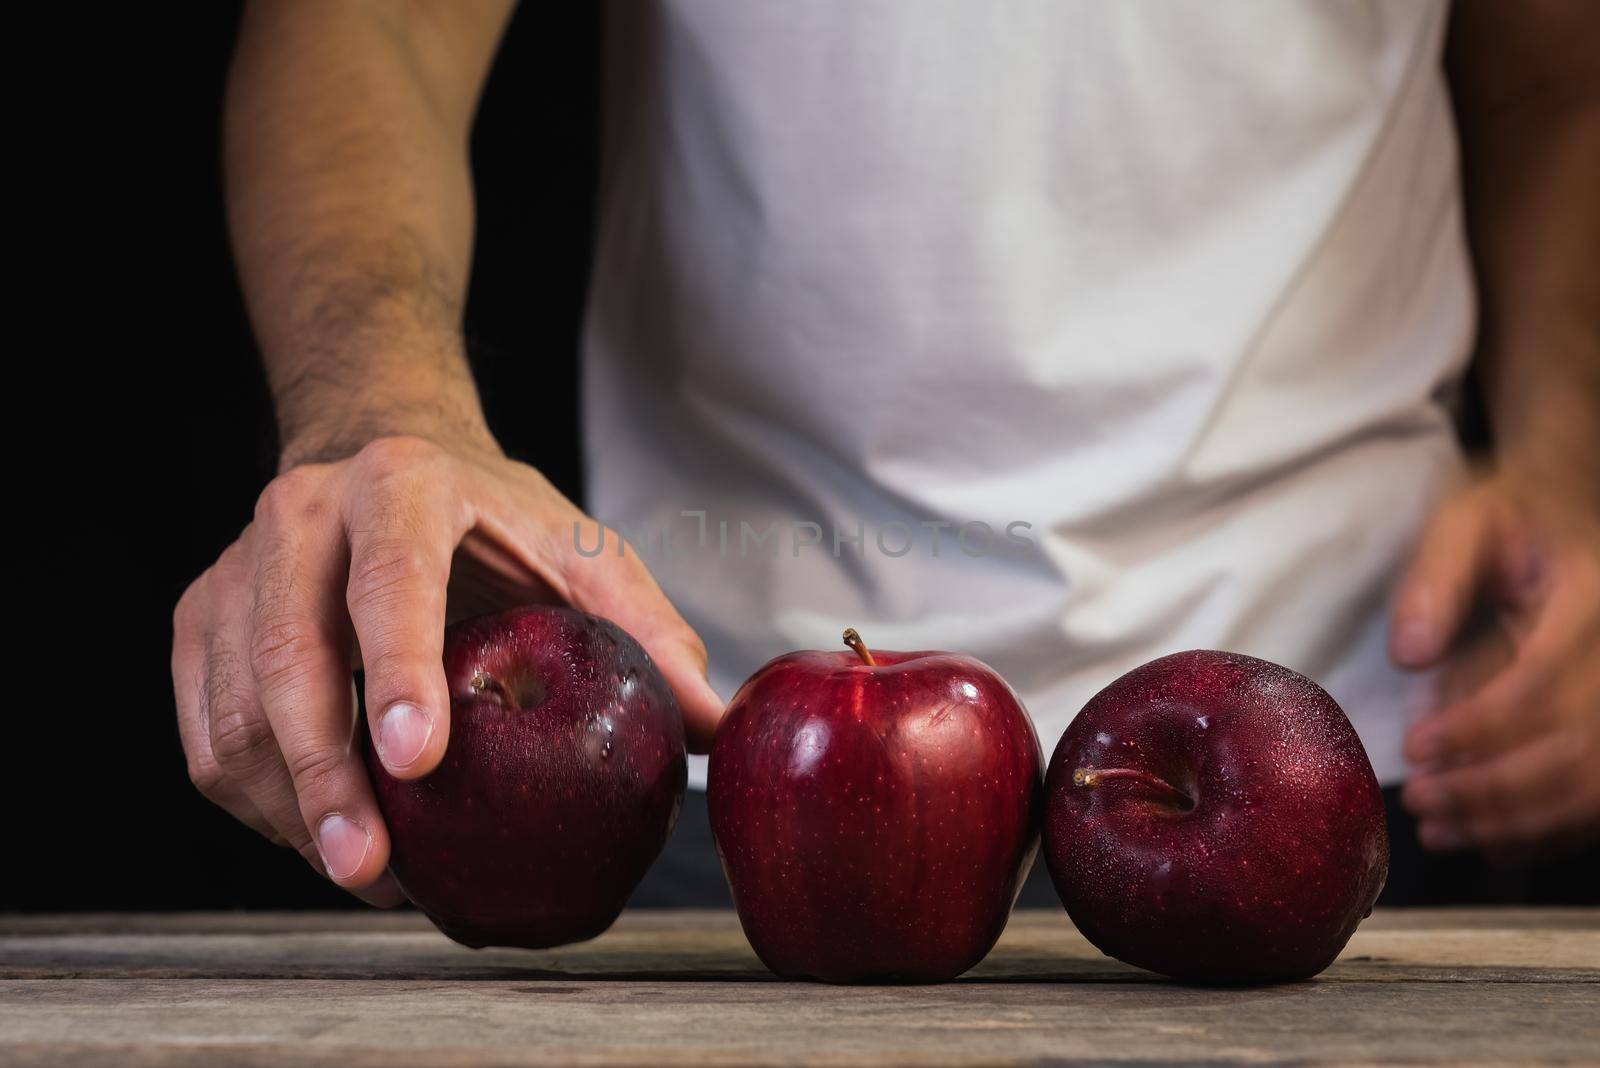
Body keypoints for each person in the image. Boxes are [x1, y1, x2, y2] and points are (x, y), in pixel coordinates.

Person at [172, 0, 1598, 909]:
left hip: (1369, 743)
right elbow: (375, 25)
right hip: (714, 762)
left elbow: (1555, 79)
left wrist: (1573, 452)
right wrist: (383, 416)